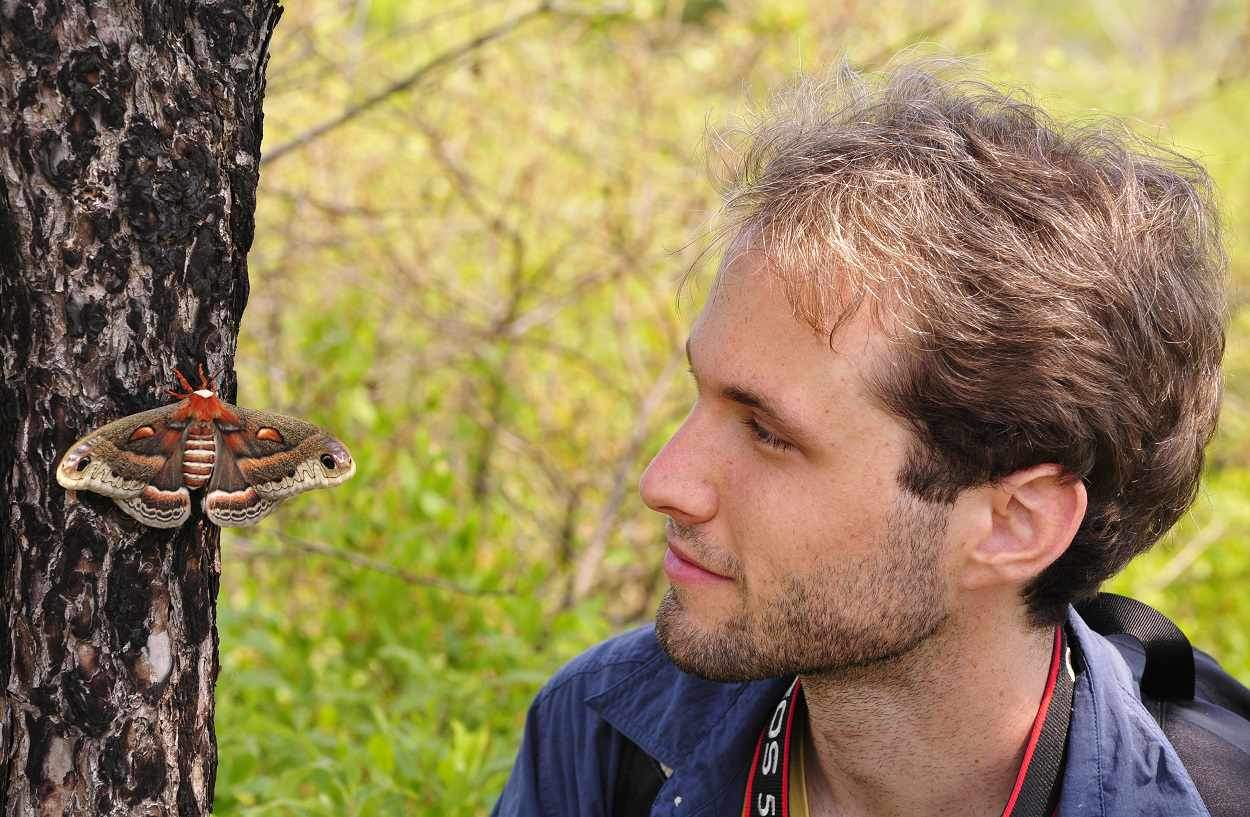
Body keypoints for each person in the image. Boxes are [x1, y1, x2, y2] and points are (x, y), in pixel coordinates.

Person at [492, 59, 1227, 817]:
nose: (665, 480)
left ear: (1014, 523)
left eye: (768, 433)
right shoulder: (610, 733)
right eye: (700, 395)